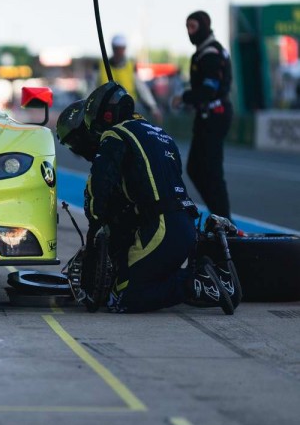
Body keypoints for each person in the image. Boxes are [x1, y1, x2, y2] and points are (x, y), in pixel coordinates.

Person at [57, 82, 239, 314]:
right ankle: (213, 280)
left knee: (123, 297)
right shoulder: (162, 135)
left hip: (161, 227)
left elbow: (99, 183)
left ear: (106, 113)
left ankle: (196, 284)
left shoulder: (116, 133)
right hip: (186, 225)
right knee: (145, 279)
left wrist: (95, 227)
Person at [174, 10, 233, 219]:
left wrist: (184, 97)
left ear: (204, 27)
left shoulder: (210, 53)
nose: (190, 32)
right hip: (207, 115)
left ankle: (224, 220)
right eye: (187, 27)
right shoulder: (204, 52)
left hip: (215, 115)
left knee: (211, 171)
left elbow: (209, 90)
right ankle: (220, 216)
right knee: (196, 168)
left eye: (193, 27)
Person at [97, 34, 163, 123]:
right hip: (107, 111)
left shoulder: (131, 66)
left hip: (129, 109)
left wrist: (153, 107)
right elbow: (92, 89)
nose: (119, 52)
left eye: (121, 48)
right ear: (113, 48)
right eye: (117, 48)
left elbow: (142, 89)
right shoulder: (101, 66)